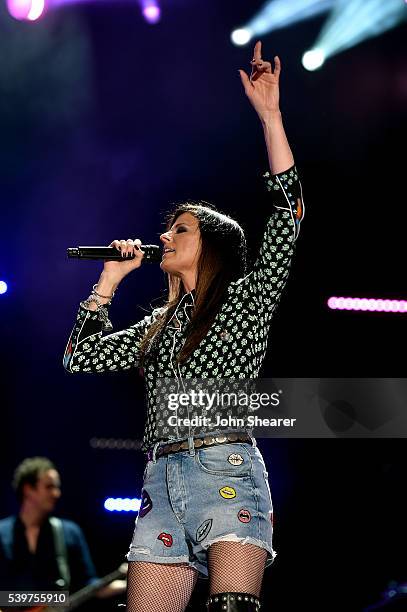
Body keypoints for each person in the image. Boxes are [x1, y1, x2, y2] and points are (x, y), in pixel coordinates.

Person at [63, 41, 304, 612]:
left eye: (182, 230)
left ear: (212, 246)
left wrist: (270, 116)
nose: (165, 237)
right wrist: (108, 283)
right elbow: (79, 358)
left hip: (226, 470)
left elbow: (287, 219)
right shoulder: (158, 325)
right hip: (160, 481)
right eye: (167, 229)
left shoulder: (244, 302)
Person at [0, 457, 126, 601]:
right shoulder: (1, 533)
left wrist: (128, 583)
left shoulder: (69, 532)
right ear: (28, 489)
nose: (56, 493)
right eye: (49, 487)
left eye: (57, 487)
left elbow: (89, 585)